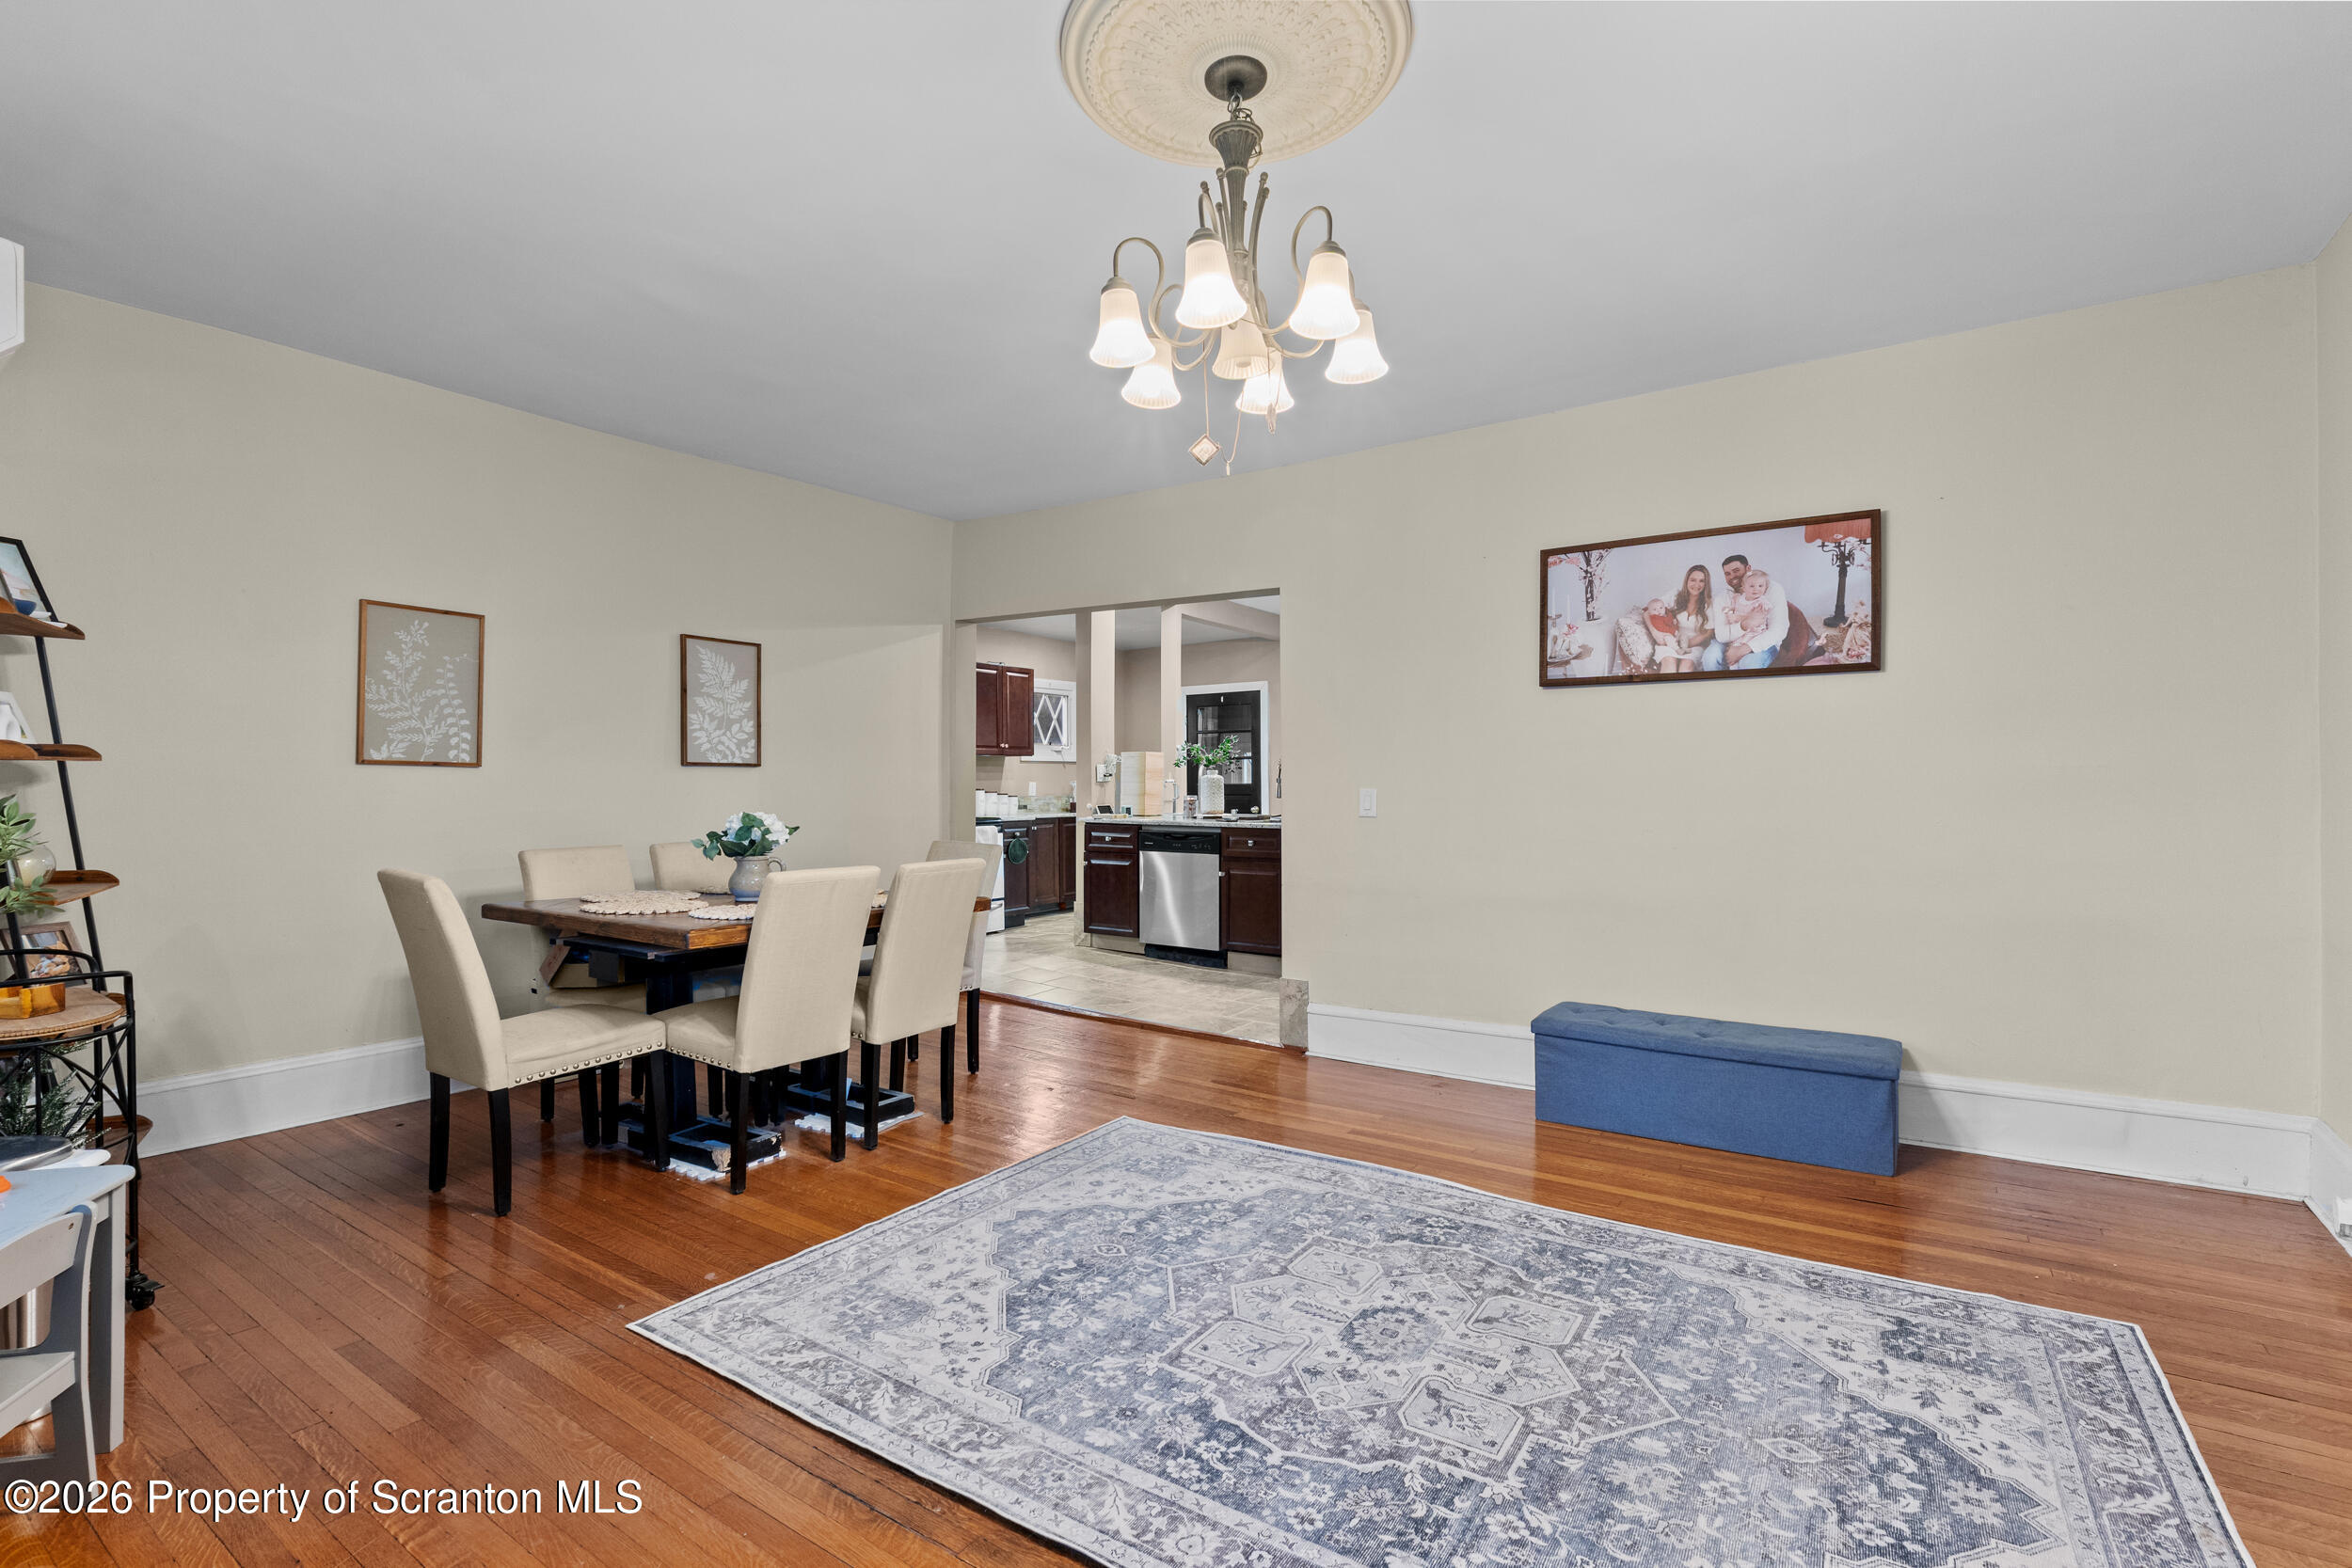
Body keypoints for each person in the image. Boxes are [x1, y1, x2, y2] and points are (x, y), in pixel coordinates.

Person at [1700, 552, 1787, 670]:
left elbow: (1778, 630)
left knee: (1748, 663)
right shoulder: (1723, 598)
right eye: (1727, 574)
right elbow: (1721, 636)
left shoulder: (1771, 589)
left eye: (1736, 571)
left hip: (1761, 639)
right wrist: (1745, 624)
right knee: (1710, 657)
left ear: (1748, 569)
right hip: (1731, 641)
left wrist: (1744, 648)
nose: (1732, 577)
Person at [1663, 564, 1712, 673]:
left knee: (1686, 665)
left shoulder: (1709, 604)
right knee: (1669, 661)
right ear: (1686, 581)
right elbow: (1649, 611)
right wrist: (1657, 635)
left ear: (1706, 584)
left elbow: (1708, 632)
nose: (1697, 585)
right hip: (1672, 642)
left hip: (1694, 645)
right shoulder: (1675, 595)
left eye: (1701, 581)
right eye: (1693, 580)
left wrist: (1685, 645)